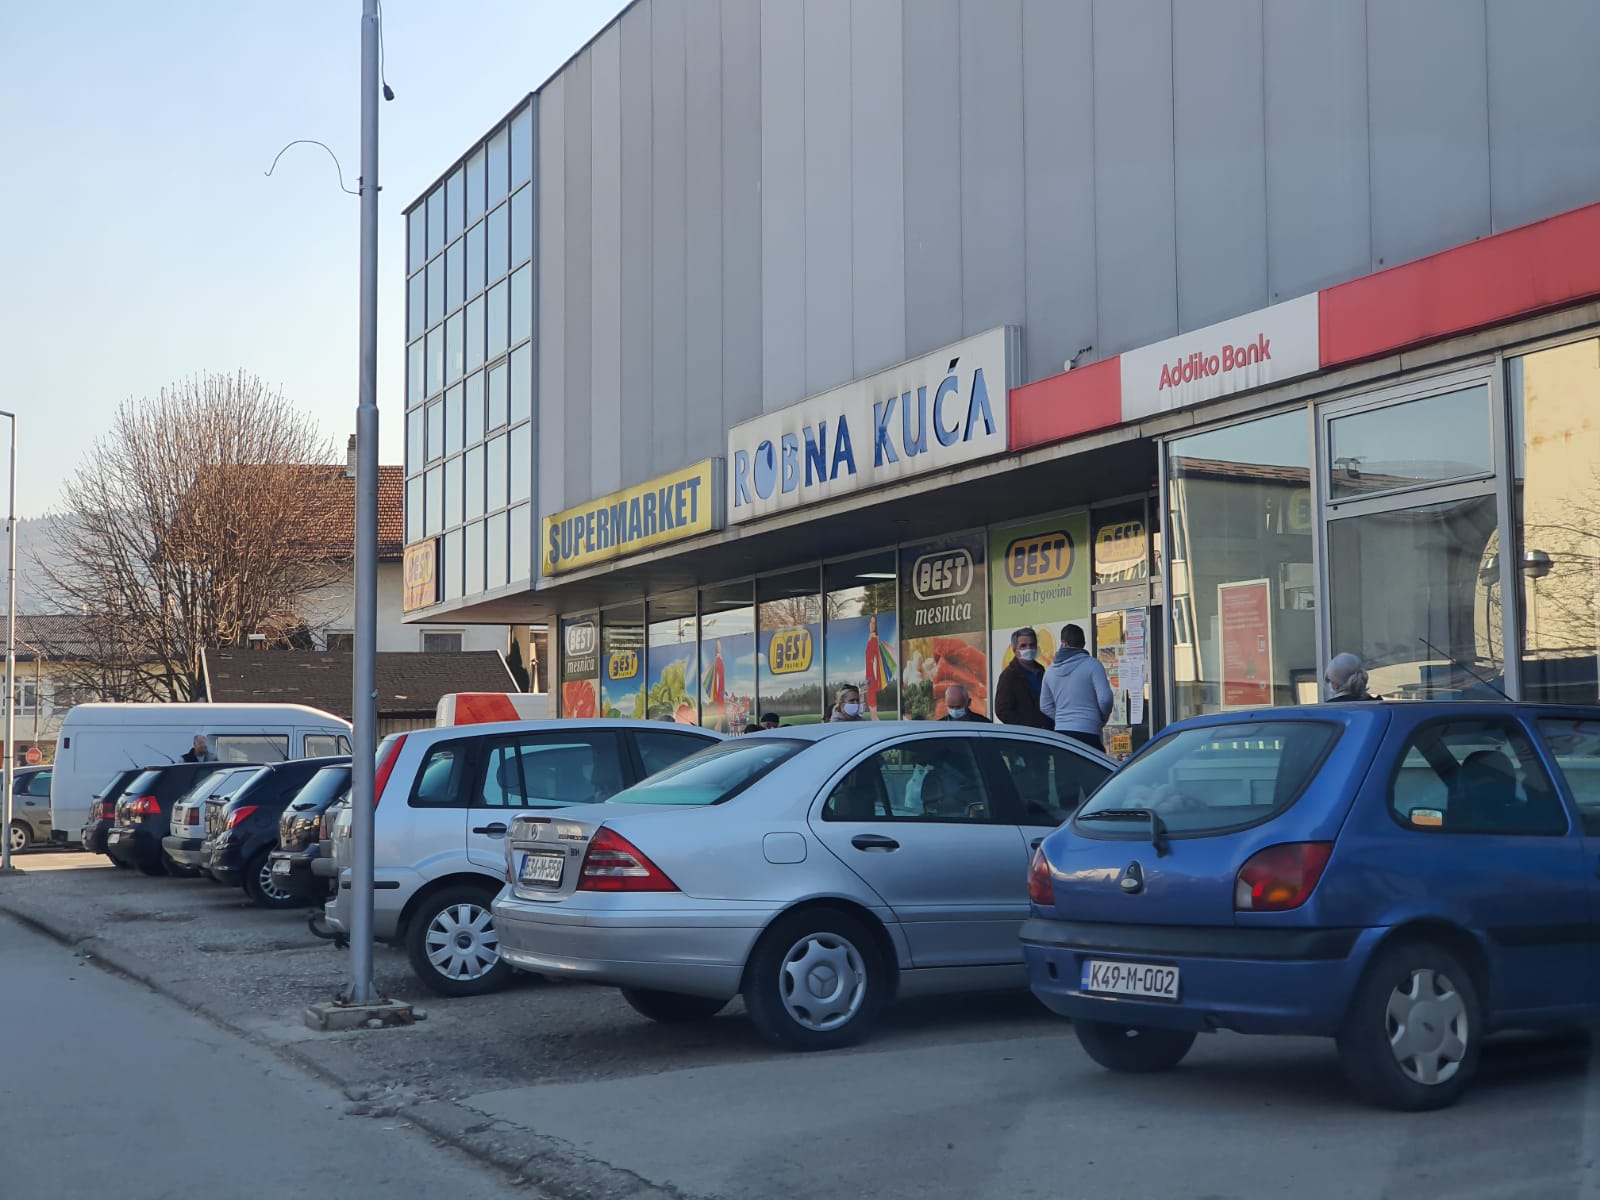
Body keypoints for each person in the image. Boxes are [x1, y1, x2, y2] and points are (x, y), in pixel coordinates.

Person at [1040, 624, 1113, 751]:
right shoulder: (1093, 665)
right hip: (1089, 731)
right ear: (1083, 643)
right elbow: (1105, 699)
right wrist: (1101, 718)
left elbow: (1044, 705)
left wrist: (1062, 718)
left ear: (1063, 643)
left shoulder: (1050, 671)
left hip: (1061, 733)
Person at [994, 627, 1051, 729]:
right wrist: (1025, 726)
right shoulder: (1009, 676)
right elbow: (1002, 710)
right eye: (1023, 646)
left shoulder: (1041, 671)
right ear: (1015, 650)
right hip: (1027, 733)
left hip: (1047, 730)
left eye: (1032, 645)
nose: (1029, 649)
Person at [863, 614, 896, 720]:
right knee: (870, 694)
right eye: (871, 622)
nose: (872, 625)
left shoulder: (874, 637)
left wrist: (873, 672)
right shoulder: (871, 637)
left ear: (876, 625)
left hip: (872, 671)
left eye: (874, 623)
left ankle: (874, 717)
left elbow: (875, 656)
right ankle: (874, 717)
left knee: (871, 693)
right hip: (869, 671)